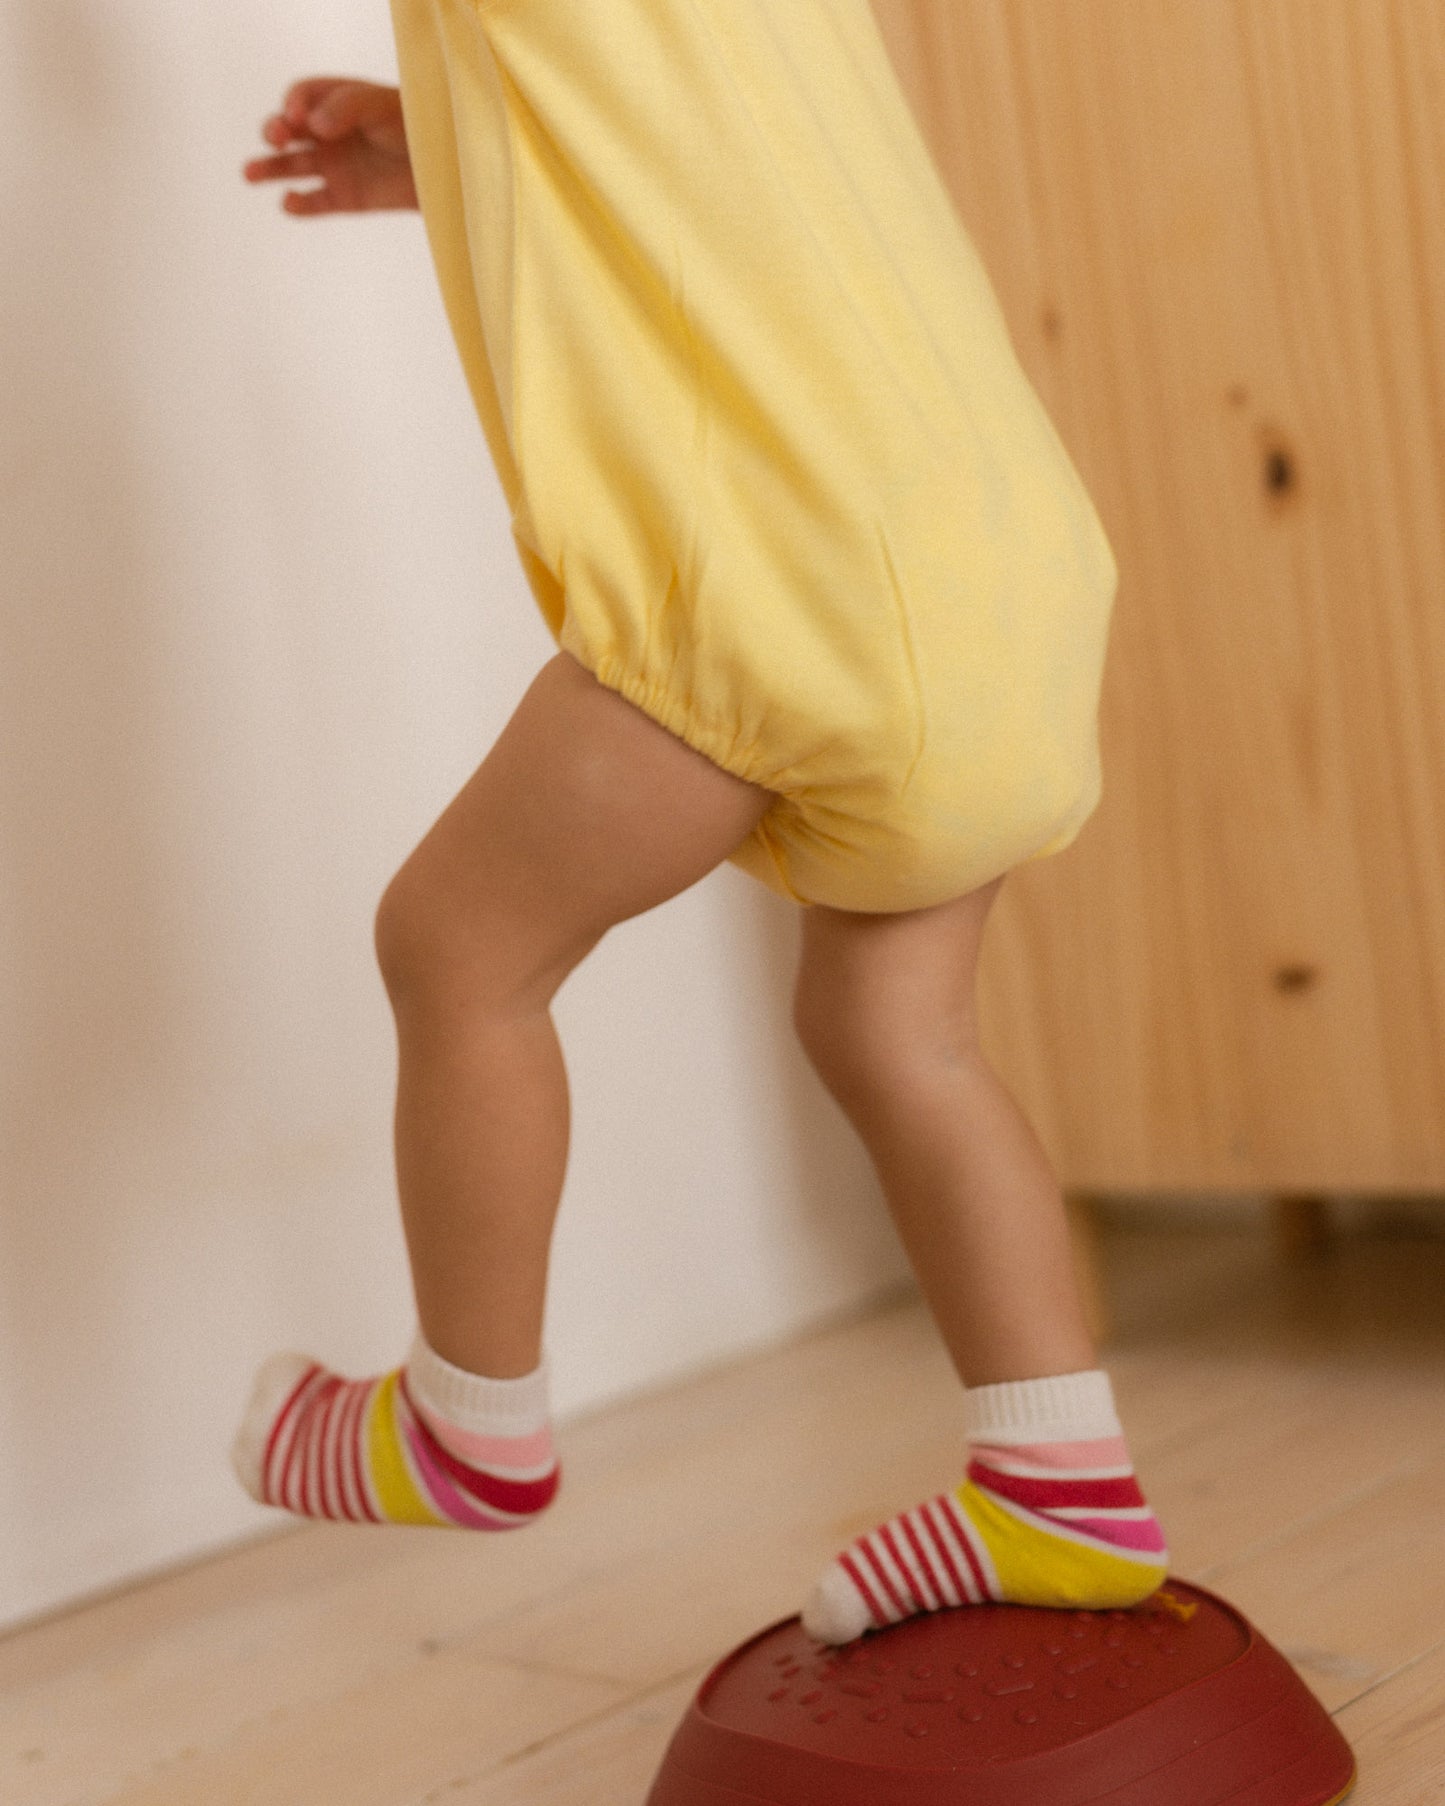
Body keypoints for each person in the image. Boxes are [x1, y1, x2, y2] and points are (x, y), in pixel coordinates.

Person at [232, 2, 1167, 1648]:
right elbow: (708, 164)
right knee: (902, 1035)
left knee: (457, 947)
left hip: (780, 590)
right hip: (990, 556)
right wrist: (448, 137)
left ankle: (468, 1416)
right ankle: (1060, 1483)